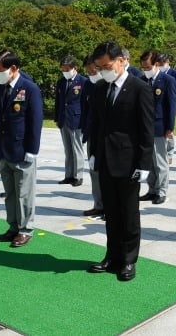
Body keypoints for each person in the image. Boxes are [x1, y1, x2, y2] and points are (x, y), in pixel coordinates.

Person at [87, 41, 154, 282]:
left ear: (122, 60)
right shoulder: (100, 88)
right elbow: (96, 124)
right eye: (100, 67)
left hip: (129, 161)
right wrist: (93, 152)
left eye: (107, 65)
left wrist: (144, 164)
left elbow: (147, 130)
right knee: (111, 213)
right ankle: (112, 256)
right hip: (105, 158)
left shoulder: (139, 88)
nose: (104, 70)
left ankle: (128, 260)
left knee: (128, 214)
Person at [0, 49, 43, 248]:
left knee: (24, 193)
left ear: (13, 69)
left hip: (22, 150)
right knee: (10, 192)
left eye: (0, 70)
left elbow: (35, 122)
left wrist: (32, 150)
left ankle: (25, 229)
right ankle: (13, 226)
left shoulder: (29, 89)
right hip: (5, 150)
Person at [138, 50, 176, 205]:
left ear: (156, 64)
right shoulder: (142, 80)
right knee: (149, 162)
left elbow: (171, 106)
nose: (146, 70)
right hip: (144, 127)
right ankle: (152, 189)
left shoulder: (167, 80)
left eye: (148, 67)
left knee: (160, 162)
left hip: (160, 126)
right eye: (144, 68)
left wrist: (170, 127)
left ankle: (162, 191)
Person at [54, 55, 87, 187]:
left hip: (76, 119)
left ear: (75, 68)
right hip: (64, 119)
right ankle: (69, 175)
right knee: (68, 150)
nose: (65, 71)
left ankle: (78, 176)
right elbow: (58, 102)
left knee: (77, 149)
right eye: (63, 69)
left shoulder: (83, 82)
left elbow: (85, 103)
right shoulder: (61, 82)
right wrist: (57, 117)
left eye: (67, 69)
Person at [80, 54, 103, 218]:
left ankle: (110, 207)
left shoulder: (111, 85)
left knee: (108, 174)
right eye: (88, 72)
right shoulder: (88, 85)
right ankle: (99, 204)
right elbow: (85, 108)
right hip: (93, 135)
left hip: (108, 137)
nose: (91, 75)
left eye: (93, 71)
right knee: (94, 171)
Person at [159, 53, 176, 164]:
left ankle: (170, 153)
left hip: (171, 105)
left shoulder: (175, 74)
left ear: (168, 62)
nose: (161, 65)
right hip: (160, 106)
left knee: (170, 129)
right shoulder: (158, 74)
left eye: (163, 63)